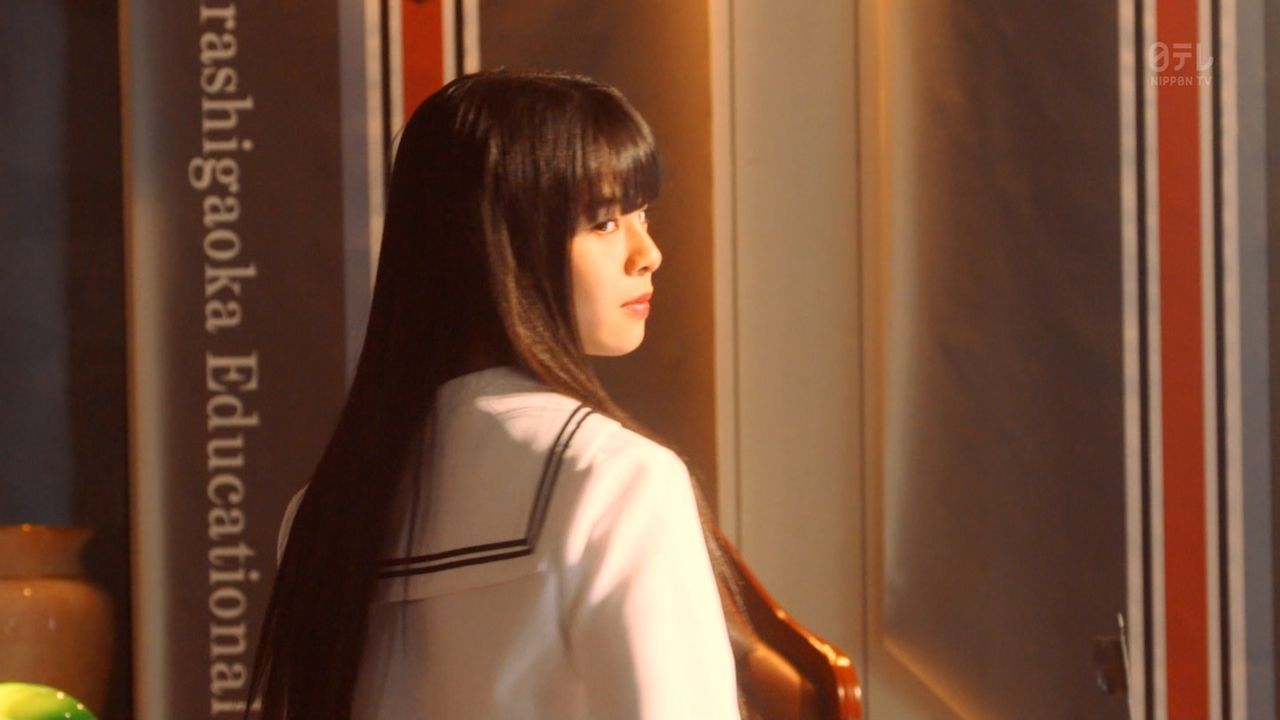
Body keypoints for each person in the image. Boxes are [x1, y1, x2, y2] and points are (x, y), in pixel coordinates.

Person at [246, 70, 742, 720]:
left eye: (641, 215)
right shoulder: (616, 478)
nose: (647, 253)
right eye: (604, 223)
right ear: (497, 242)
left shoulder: (323, 511)